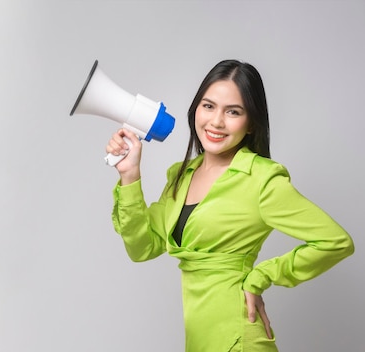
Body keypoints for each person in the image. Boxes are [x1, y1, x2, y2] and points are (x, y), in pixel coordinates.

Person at [106, 59, 354, 351]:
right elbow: (142, 248)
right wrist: (130, 176)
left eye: (233, 111)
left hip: (239, 338)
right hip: (200, 338)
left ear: (251, 124)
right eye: (208, 106)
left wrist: (260, 276)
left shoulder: (261, 179)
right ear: (195, 109)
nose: (216, 122)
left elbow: (336, 241)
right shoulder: (181, 175)